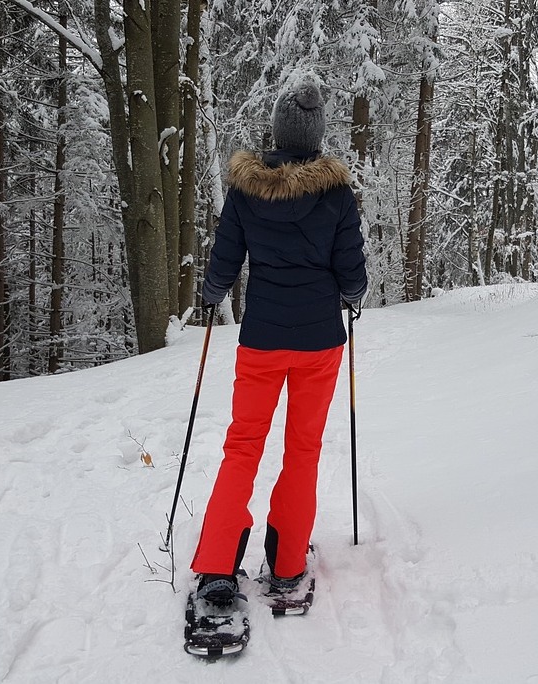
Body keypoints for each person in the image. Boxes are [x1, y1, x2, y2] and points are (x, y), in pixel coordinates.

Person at [191, 74, 368, 605]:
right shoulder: (337, 195)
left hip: (262, 339)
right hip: (319, 344)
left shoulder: (246, 191)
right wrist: (351, 294)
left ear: (277, 130)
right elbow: (353, 273)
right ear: (315, 135)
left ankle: (218, 567)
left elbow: (224, 261)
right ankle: (289, 565)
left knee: (242, 447)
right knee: (303, 450)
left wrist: (210, 294)